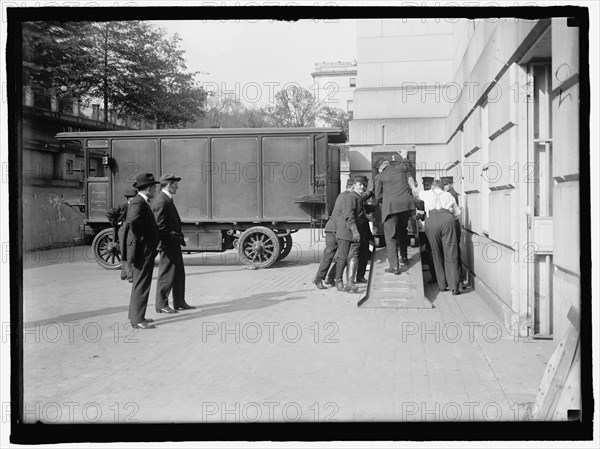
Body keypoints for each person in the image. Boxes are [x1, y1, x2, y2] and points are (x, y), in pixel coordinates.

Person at [153, 174, 194, 313]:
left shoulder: (167, 199)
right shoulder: (161, 201)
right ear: (168, 185)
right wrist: (171, 240)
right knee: (166, 274)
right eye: (175, 184)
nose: (177, 186)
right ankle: (161, 304)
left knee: (178, 273)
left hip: (173, 243)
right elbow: (160, 227)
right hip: (168, 245)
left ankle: (179, 301)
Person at [126, 173, 161, 329]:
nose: (155, 189)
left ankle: (137, 315)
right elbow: (133, 220)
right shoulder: (138, 203)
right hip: (143, 250)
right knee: (141, 283)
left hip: (146, 249)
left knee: (141, 283)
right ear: (147, 188)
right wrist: (142, 237)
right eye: (153, 187)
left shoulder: (141, 201)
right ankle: (138, 320)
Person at [417, 179, 461, 295]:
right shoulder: (449, 195)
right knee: (451, 252)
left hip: (431, 220)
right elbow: (457, 215)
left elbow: (416, 193)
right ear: (442, 187)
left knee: (435, 252)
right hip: (447, 219)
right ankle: (454, 287)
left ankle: (442, 285)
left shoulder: (427, 193)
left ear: (432, 187)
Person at [374, 156, 415, 275]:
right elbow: (406, 164)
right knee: (402, 231)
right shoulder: (401, 169)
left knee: (390, 237)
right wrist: (404, 156)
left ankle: (394, 267)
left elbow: (378, 196)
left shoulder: (379, 176)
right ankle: (404, 258)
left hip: (391, 208)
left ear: (380, 168)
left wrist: (387, 199)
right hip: (406, 206)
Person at [313, 178, 354, 289]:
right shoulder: (347, 197)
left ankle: (328, 278)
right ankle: (320, 278)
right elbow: (339, 216)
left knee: (335, 254)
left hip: (333, 228)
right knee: (337, 255)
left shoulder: (342, 195)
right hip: (335, 230)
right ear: (353, 186)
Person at [334, 175, 370, 293]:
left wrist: (367, 218)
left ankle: (350, 282)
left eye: (364, 185)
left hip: (356, 233)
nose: (362, 187)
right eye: (360, 184)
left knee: (353, 256)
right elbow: (349, 215)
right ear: (354, 185)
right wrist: (355, 231)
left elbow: (359, 214)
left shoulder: (358, 197)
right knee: (343, 258)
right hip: (346, 232)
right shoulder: (350, 197)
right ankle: (338, 281)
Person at [441, 176, 463, 286]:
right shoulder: (450, 193)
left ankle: (458, 279)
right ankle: (458, 279)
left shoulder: (451, 194)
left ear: (451, 184)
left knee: (454, 252)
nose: (444, 186)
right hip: (453, 225)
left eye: (446, 184)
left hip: (453, 225)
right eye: (443, 184)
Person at [118, 188, 138, 283]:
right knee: (128, 253)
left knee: (125, 252)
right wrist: (117, 222)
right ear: (130, 198)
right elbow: (110, 213)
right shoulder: (125, 206)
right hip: (125, 231)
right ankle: (130, 276)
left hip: (126, 230)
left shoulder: (130, 206)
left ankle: (124, 274)